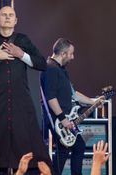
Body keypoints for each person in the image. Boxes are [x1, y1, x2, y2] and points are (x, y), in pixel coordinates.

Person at [0, 6, 53, 174]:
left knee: (26, 142)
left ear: (16, 21)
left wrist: (21, 54)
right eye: (4, 15)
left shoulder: (23, 40)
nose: (7, 17)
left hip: (20, 102)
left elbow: (42, 64)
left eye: (11, 15)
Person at [40, 38, 103, 175]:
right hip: (58, 121)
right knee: (63, 152)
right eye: (71, 54)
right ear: (63, 54)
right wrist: (63, 119)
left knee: (78, 146)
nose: (72, 57)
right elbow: (51, 98)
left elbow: (74, 95)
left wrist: (94, 102)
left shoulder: (61, 70)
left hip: (66, 119)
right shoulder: (50, 68)